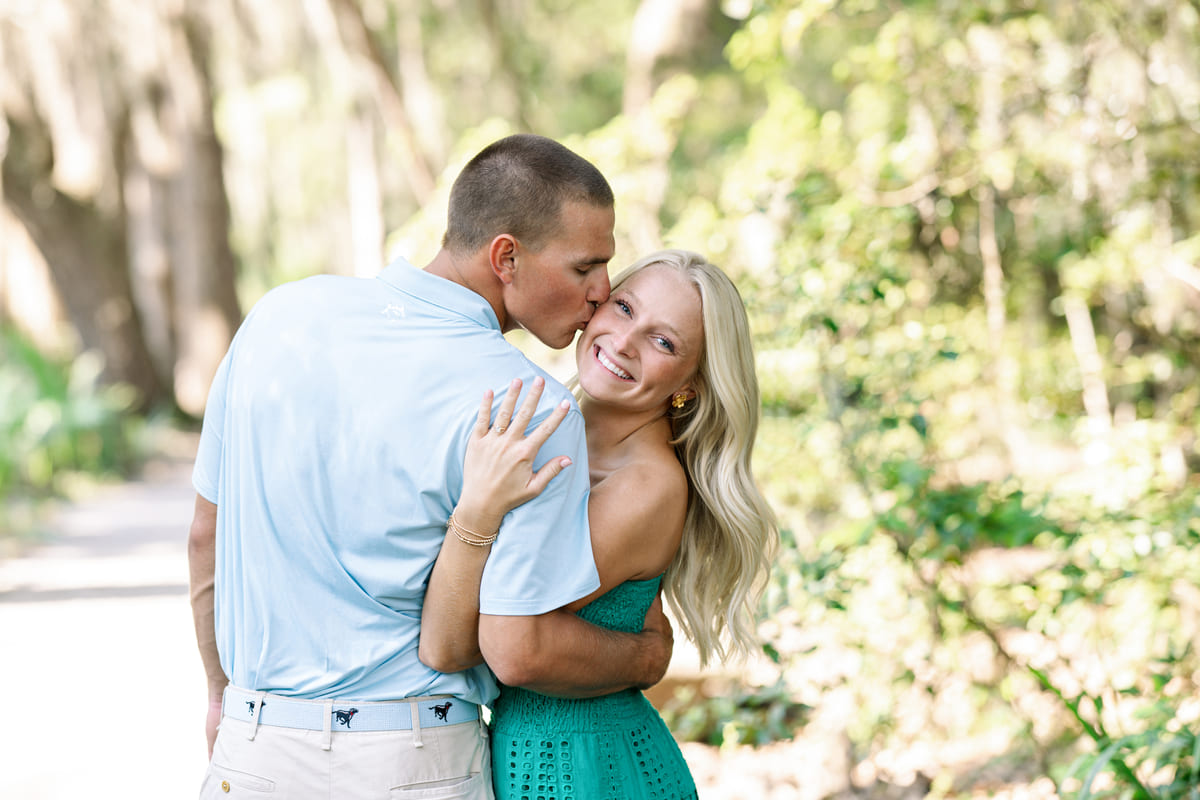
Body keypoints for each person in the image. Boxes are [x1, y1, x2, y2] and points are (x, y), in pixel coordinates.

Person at [186, 134, 675, 799]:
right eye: (586, 267)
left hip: (254, 749)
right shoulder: (531, 409)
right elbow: (517, 644)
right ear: (507, 256)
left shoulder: (278, 318)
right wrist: (647, 655)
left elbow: (205, 537)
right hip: (411, 761)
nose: (601, 291)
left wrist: (220, 694)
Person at [421, 249, 780, 800]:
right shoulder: (555, 433)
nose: (626, 341)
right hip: (529, 750)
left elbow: (511, 647)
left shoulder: (646, 484)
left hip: (588, 764)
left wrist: (479, 512)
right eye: (625, 307)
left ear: (690, 385)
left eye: (665, 342)